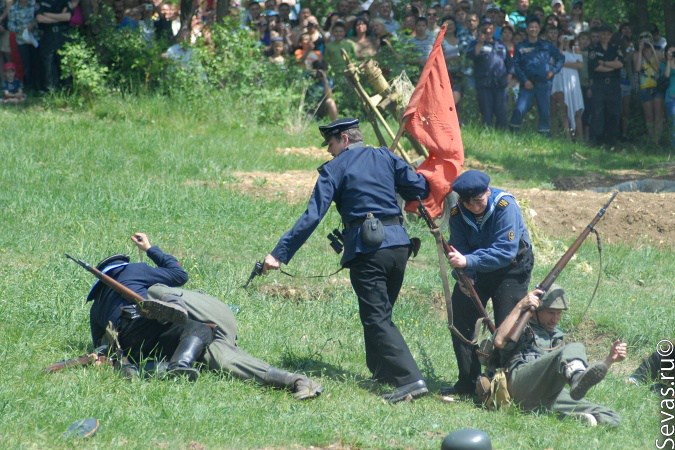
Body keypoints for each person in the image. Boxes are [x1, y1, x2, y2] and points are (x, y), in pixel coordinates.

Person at [263, 118, 431, 404]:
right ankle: (382, 373)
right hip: (400, 246)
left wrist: (279, 254)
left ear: (344, 139)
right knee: (380, 313)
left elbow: (312, 216)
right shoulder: (385, 156)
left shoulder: (334, 169)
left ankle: (410, 380)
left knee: (377, 317)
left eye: (330, 143)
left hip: (368, 251)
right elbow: (419, 188)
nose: (329, 151)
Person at [442, 170, 534, 396]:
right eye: (467, 202)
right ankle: (468, 383)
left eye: (478, 200)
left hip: (512, 268)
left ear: (488, 192)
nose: (473, 207)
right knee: (461, 318)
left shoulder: (505, 206)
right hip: (476, 269)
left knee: (509, 327)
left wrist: (468, 261)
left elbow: (505, 250)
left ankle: (510, 385)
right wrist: (465, 277)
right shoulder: (456, 213)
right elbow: (458, 249)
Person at [147, 284, 324, 400]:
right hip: (203, 321)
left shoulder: (142, 282)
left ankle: (298, 381)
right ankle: (298, 382)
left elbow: (176, 275)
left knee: (155, 291)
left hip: (203, 314)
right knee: (222, 358)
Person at [493, 286, 627, 427]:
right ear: (535, 311)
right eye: (551, 313)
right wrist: (521, 306)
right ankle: (576, 377)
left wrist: (609, 360)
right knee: (574, 347)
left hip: (547, 392)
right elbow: (499, 341)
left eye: (559, 314)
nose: (555, 319)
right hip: (520, 386)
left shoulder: (557, 336)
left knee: (610, 416)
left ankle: (575, 417)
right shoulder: (521, 327)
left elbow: (590, 373)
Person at [86, 232, 210, 380]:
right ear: (122, 263)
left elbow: (99, 344)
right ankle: (180, 366)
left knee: (161, 343)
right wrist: (149, 249)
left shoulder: (95, 305)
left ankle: (141, 368)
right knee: (200, 329)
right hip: (142, 323)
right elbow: (179, 274)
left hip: (126, 346)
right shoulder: (132, 270)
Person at [509, 16, 564, 136]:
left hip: (543, 84)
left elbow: (561, 58)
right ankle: (512, 134)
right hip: (527, 84)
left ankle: (544, 138)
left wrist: (553, 71)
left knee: (544, 111)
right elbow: (516, 66)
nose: (533, 29)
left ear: (539, 29)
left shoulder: (547, 45)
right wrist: (524, 80)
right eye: (531, 27)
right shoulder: (521, 47)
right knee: (520, 109)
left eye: (536, 27)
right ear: (527, 29)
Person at [466, 17, 512, 129]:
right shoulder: (475, 43)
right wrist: (480, 43)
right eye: (485, 28)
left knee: (502, 112)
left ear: (494, 29)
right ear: (481, 29)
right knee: (486, 111)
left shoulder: (500, 44)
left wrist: (509, 77)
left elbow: (509, 63)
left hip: (500, 83)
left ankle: (502, 135)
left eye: (490, 27)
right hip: (484, 83)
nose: (488, 30)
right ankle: (487, 134)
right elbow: (472, 56)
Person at [588, 23, 624, 147]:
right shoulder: (593, 49)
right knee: (598, 112)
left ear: (611, 35)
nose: (605, 36)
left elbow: (620, 64)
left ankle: (612, 140)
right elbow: (596, 68)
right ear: (599, 35)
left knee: (613, 112)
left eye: (607, 34)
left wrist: (605, 63)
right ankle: (598, 140)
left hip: (613, 85)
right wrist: (611, 66)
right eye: (602, 34)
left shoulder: (615, 48)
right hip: (599, 85)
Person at [634, 30, 664, 145]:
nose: (645, 39)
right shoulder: (637, 54)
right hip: (644, 87)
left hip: (657, 87)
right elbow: (637, 69)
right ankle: (652, 140)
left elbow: (658, 67)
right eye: (642, 37)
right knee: (649, 116)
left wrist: (651, 47)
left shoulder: (657, 52)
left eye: (647, 37)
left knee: (658, 115)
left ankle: (657, 141)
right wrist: (641, 50)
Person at [36, 0, 72, 91]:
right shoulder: (44, 2)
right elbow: (40, 18)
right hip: (48, 35)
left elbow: (67, 17)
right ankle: (50, 90)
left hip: (62, 35)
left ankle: (66, 89)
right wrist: (59, 18)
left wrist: (47, 14)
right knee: (48, 63)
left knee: (64, 61)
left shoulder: (64, 2)